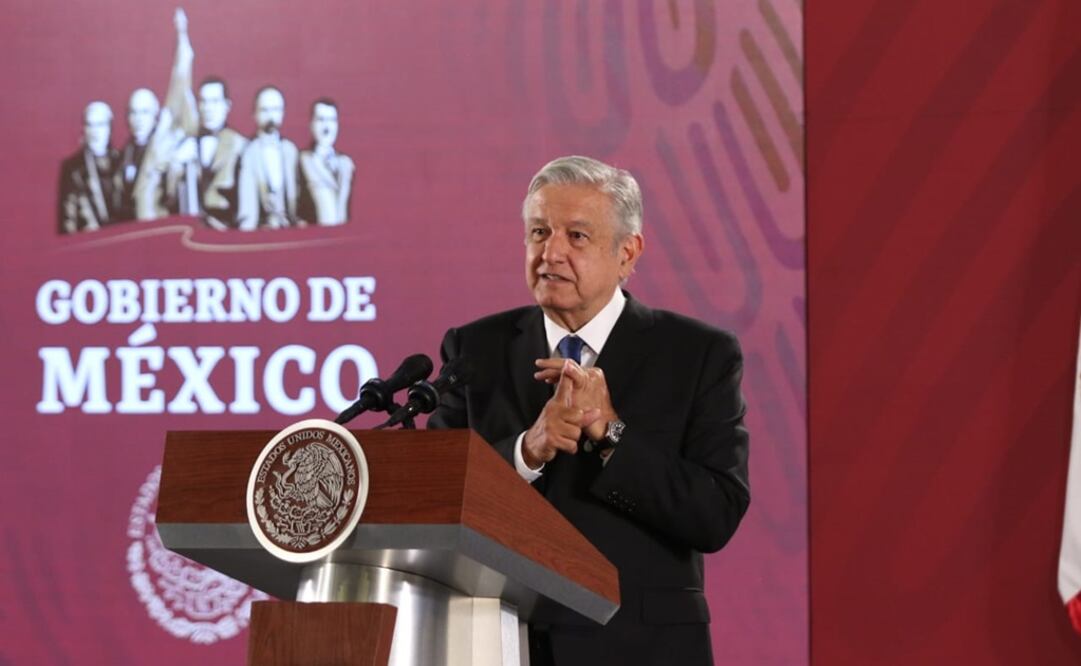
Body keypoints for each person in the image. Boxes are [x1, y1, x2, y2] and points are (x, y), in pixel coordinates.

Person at [429, 156, 750, 666]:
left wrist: (612, 433)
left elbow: (715, 514)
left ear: (627, 252)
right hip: (498, 644)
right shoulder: (474, 349)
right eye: (539, 232)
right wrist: (524, 452)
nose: (550, 253)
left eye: (576, 236)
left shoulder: (697, 354)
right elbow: (436, 497)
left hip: (641, 649)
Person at [236, 85, 299, 230]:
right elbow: (247, 207)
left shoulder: (291, 151)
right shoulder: (248, 153)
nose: (271, 116)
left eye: (276, 110)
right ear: (255, 114)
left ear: (282, 113)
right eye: (265, 110)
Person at [57, 101, 123, 234]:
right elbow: (68, 221)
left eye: (100, 125)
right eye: (89, 125)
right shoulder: (72, 168)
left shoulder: (122, 160)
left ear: (110, 128)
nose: (94, 132)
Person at [297, 97, 354, 225]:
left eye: (332, 120)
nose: (327, 127)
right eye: (321, 120)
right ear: (311, 124)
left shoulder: (346, 164)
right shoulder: (302, 160)